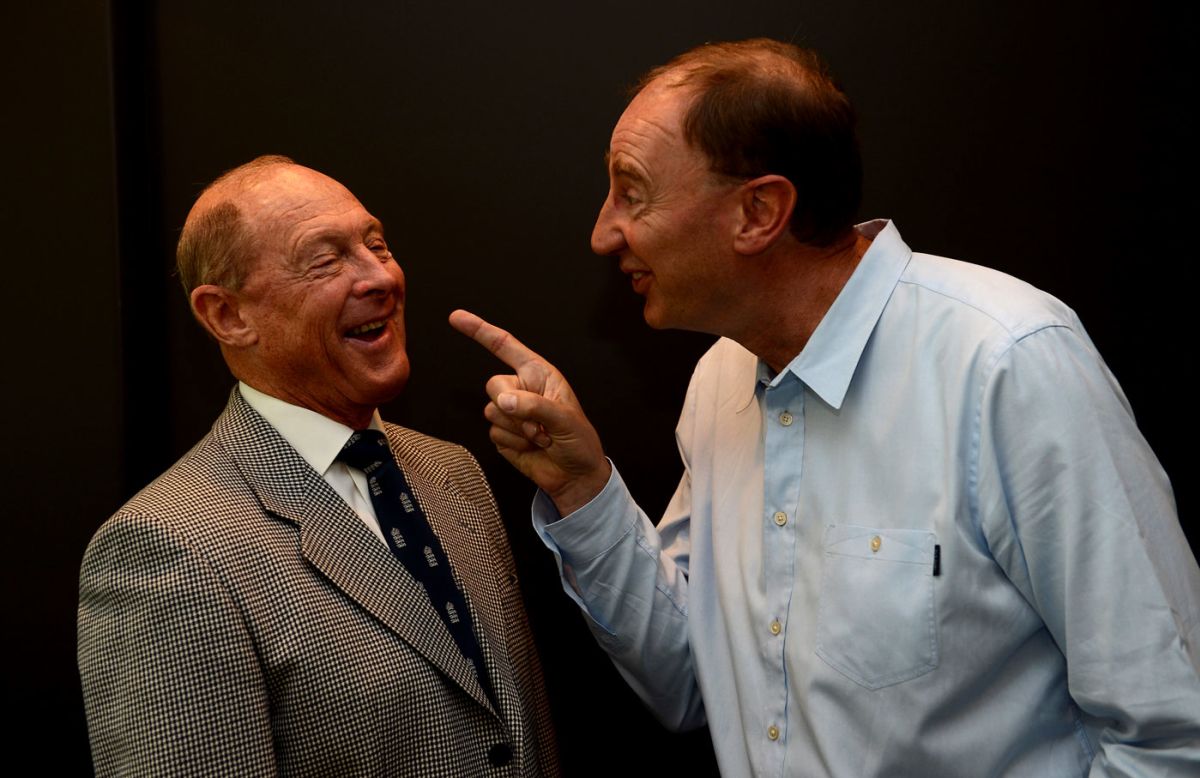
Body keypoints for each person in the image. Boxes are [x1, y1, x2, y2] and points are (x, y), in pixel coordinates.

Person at [450, 39, 1200, 777]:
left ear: (759, 212)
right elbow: (686, 676)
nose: (602, 232)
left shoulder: (1007, 362)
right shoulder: (720, 382)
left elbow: (1170, 733)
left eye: (632, 192)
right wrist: (584, 489)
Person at [78, 156, 558, 776]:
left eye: (377, 245)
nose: (380, 277)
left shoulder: (452, 471)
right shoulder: (169, 549)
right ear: (228, 316)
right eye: (326, 260)